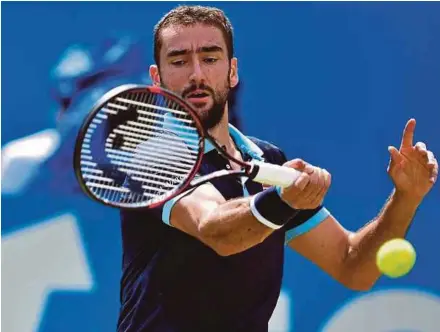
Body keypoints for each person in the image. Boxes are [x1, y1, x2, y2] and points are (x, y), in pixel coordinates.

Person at [117, 5, 438, 332]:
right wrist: (284, 200)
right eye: (179, 61)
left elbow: (353, 265)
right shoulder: (154, 156)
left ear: (232, 71)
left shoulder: (267, 159)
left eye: (210, 58)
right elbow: (216, 229)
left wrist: (407, 196)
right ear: (157, 78)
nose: (196, 73)